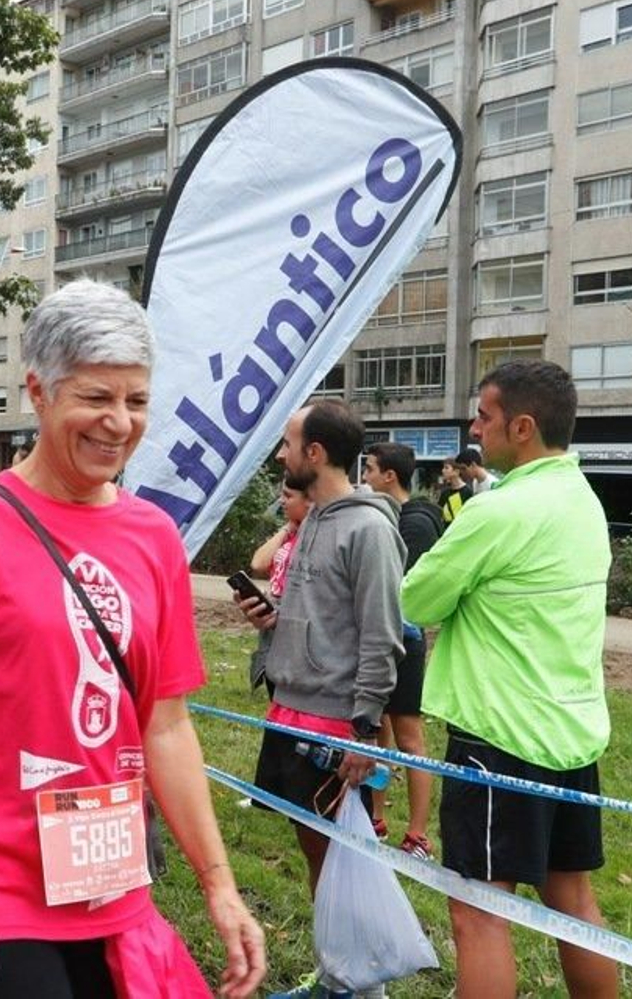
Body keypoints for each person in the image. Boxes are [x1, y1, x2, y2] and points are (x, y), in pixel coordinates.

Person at [0, 281, 265, 999]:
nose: (118, 423)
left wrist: (220, 884)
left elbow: (168, 726)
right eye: (96, 397)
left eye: (137, 401)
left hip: (113, 886)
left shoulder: (154, 537)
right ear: (39, 391)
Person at [402, 360, 617, 999]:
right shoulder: (584, 501)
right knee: (573, 900)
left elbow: (416, 601)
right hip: (573, 734)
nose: (473, 428)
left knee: (477, 912)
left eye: (484, 416)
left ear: (521, 427)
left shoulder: (498, 511)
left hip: (498, 739)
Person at [235, 400, 403, 999]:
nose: (280, 455)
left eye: (287, 444)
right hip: (291, 711)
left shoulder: (369, 529)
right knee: (318, 858)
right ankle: (339, 975)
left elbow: (382, 636)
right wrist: (270, 622)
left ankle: (364, 988)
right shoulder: (312, 522)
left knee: (343, 860)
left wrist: (364, 732)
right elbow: (320, 624)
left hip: (336, 723)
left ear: (315, 453)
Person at [361, 441, 444, 858]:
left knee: (410, 740)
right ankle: (375, 819)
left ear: (389, 476)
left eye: (369, 470)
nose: (364, 478)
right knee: (377, 738)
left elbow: (404, 590)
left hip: (405, 644)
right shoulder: (387, 516)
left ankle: (417, 835)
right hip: (379, 641)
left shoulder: (415, 523)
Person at [247, 479, 309, 695]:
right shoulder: (289, 534)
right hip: (273, 624)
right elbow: (258, 563)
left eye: (289, 496)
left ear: (309, 501)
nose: (282, 501)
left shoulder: (314, 537)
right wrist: (288, 528)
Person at [438, 457, 473, 523]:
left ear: (456, 471)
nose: (443, 470)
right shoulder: (444, 493)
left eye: (446, 468)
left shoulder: (468, 492)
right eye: (443, 468)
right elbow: (439, 514)